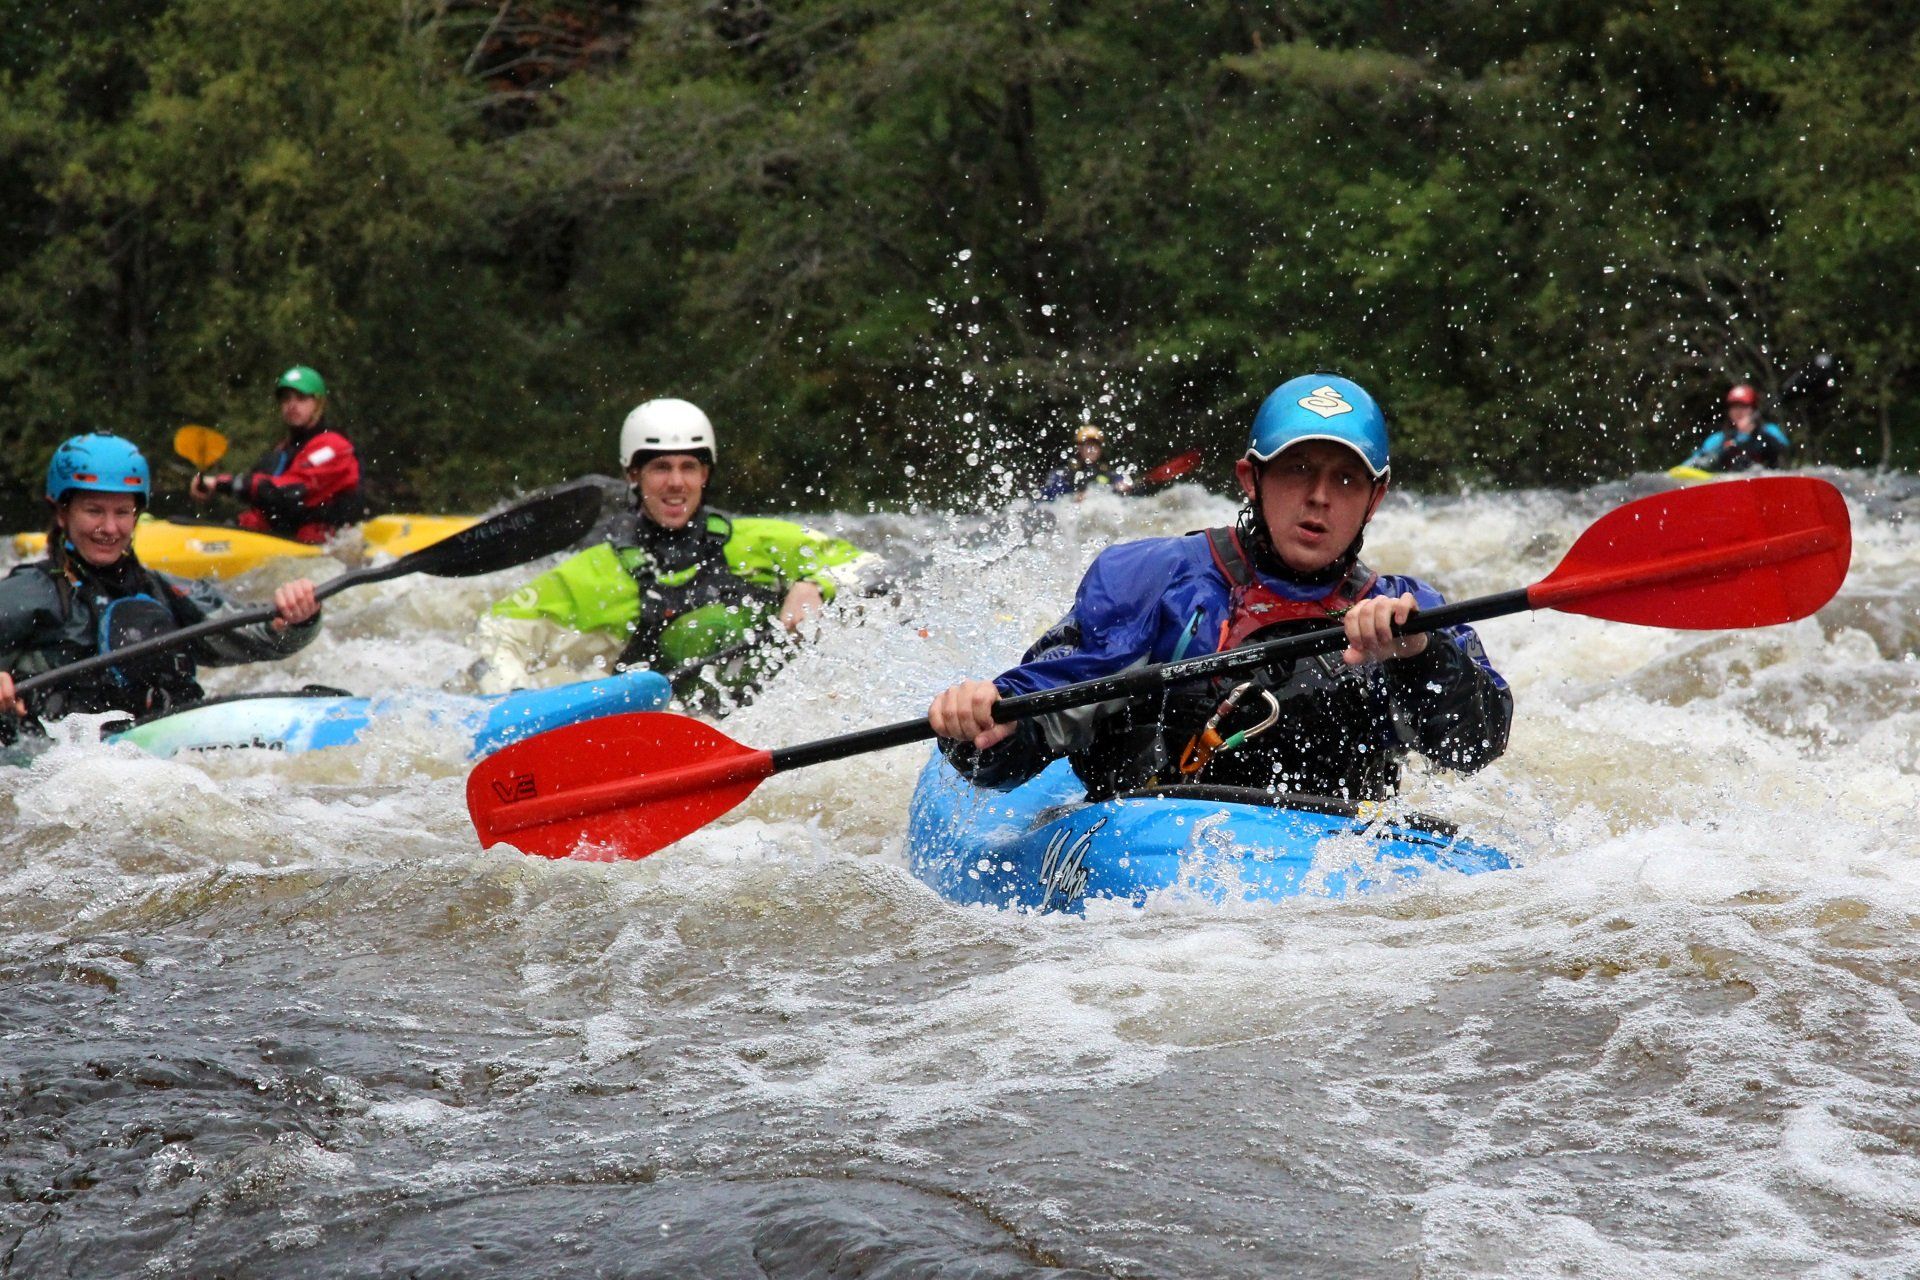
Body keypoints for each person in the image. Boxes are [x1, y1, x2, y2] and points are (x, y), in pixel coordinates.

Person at [929, 374, 1512, 802]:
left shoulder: (1410, 612)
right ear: (1250, 478)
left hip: (1333, 867)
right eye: (1296, 469)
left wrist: (1417, 655)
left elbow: (1476, 747)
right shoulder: (1154, 578)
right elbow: (1028, 730)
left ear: (1375, 498)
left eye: (1345, 478)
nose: (1319, 497)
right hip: (1157, 858)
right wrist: (988, 725)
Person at [473, 398, 881, 702]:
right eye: (660, 468)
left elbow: (871, 567)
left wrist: (815, 584)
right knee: (703, 629)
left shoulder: (761, 540)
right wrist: (513, 696)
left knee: (723, 623)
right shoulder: (598, 571)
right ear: (634, 475)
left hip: (767, 710)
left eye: (689, 467)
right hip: (672, 715)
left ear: (706, 474)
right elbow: (499, 630)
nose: (676, 483)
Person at [0, 433, 322, 739]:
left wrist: (298, 619)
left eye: (123, 512)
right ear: (61, 513)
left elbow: (263, 637)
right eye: (94, 511)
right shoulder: (30, 592)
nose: (110, 528)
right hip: (54, 766)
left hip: (158, 761)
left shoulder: (163, 591)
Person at [188, 364, 364, 542]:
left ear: (319, 403)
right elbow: (264, 500)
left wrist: (221, 483)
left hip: (322, 544)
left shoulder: (334, 448)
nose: (292, 405)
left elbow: (287, 491)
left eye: (301, 398)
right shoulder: (283, 450)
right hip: (284, 539)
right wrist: (213, 489)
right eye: (287, 399)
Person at [1682, 383, 1792, 473]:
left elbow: (1785, 451)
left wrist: (1756, 433)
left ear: (1753, 409)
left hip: (1764, 484)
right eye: (1734, 407)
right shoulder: (1719, 438)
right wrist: (1725, 449)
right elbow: (1698, 462)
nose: (1738, 411)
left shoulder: (1769, 430)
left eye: (1743, 407)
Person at [1039, 425, 1134, 500]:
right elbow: (1049, 494)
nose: (1092, 450)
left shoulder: (1104, 471)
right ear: (1079, 448)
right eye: (1088, 446)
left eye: (1095, 446)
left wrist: (1123, 485)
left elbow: (1119, 480)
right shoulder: (1067, 473)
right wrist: (1074, 497)